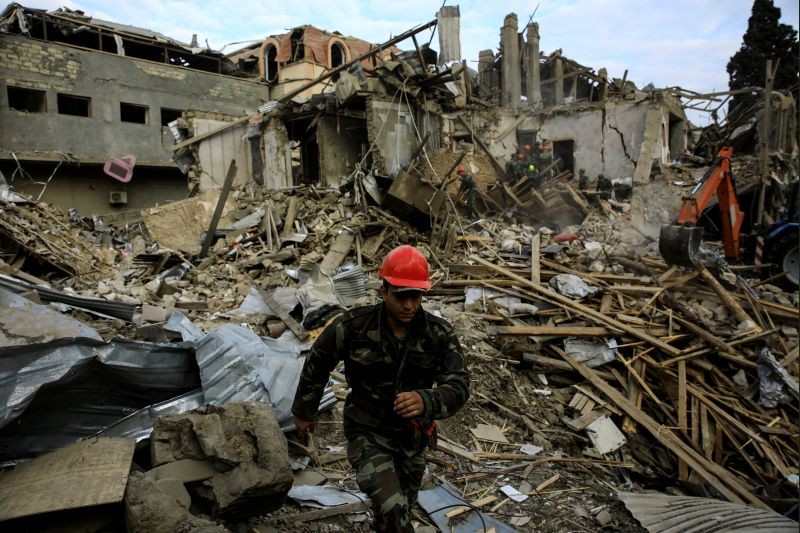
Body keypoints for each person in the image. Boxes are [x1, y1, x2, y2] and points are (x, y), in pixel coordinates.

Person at [292, 245, 470, 533]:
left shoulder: (438, 333)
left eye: (416, 296)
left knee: (401, 507)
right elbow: (317, 362)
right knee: (394, 509)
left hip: (412, 438)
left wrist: (429, 400)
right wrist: (303, 411)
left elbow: (459, 385)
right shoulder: (353, 327)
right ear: (384, 290)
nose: (409, 305)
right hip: (367, 432)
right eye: (401, 296)